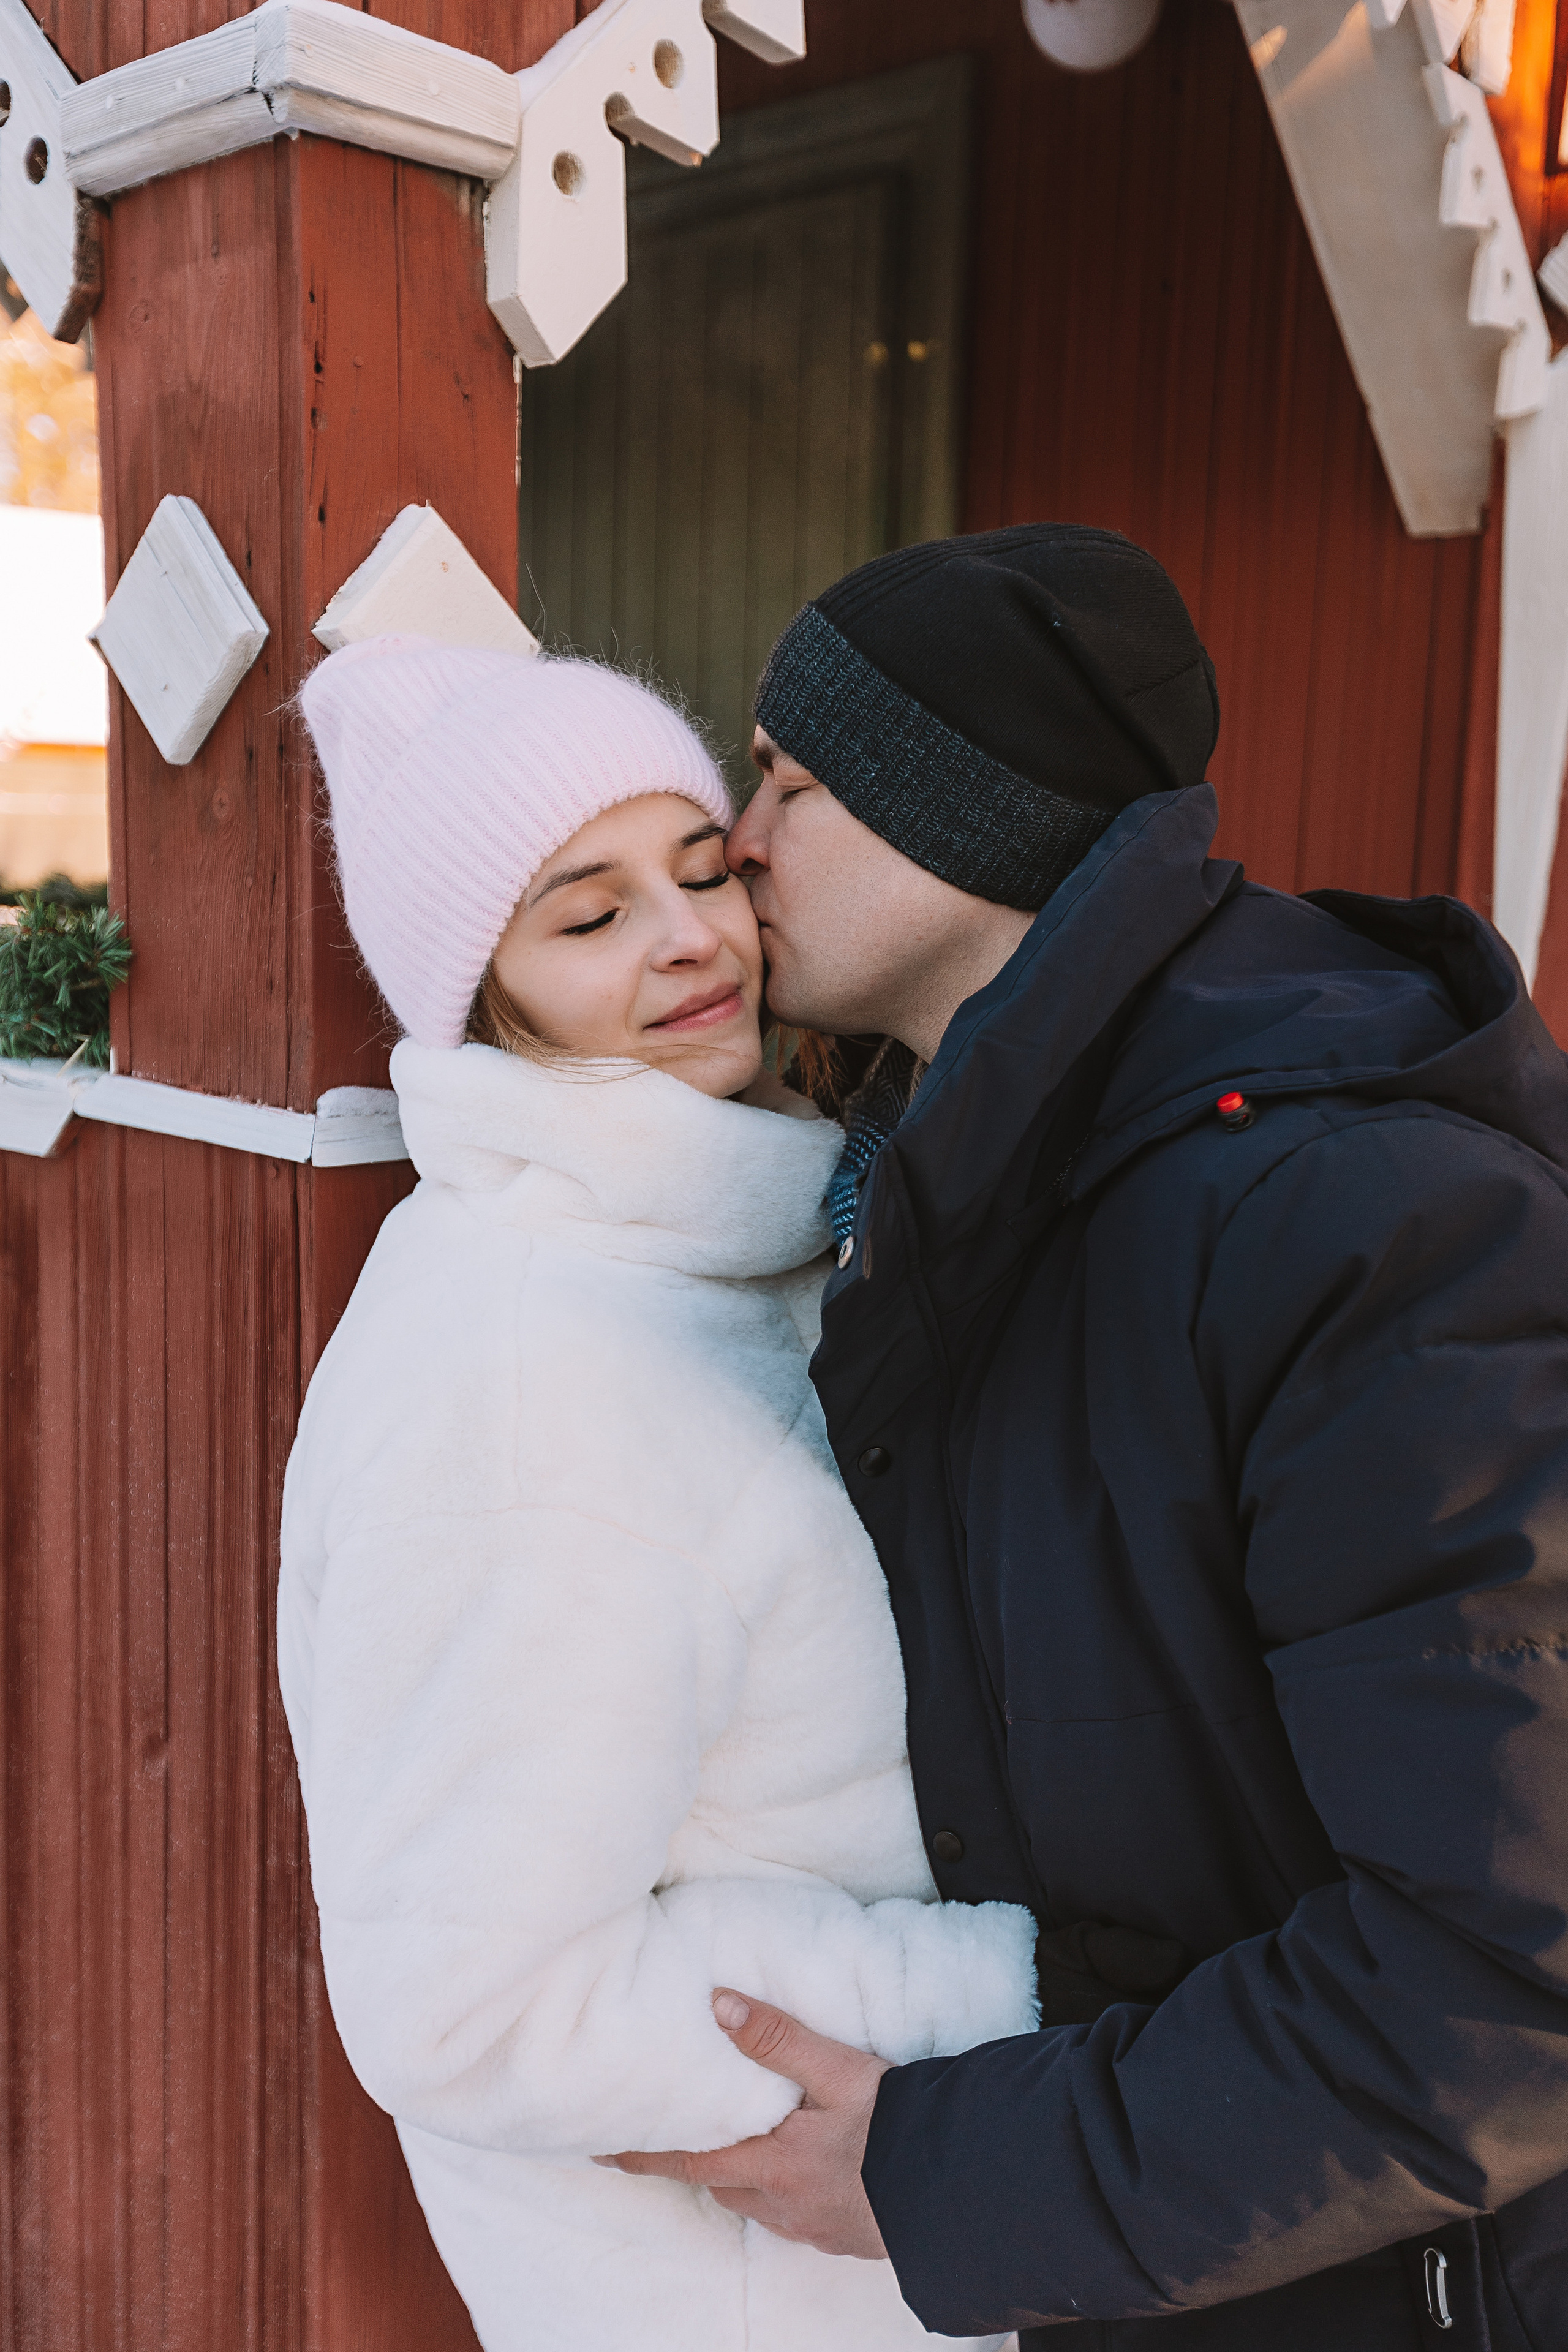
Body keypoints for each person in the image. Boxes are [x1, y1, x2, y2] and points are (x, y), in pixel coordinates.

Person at [604, 526, 1568, 2350]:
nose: (739, 842)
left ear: (960, 822)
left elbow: (1508, 1975)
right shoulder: (959, 1191)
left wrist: (946, 2171)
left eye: (796, 780)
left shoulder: (1372, 1227)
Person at [277, 636, 1038, 2352]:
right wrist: (1011, 1995)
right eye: (588, 912)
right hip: (751, 2294)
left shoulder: (712, 1256)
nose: (690, 937)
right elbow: (469, 2002)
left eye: (702, 870)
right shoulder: (527, 1386)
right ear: (488, 992)